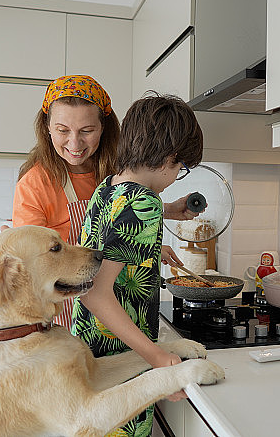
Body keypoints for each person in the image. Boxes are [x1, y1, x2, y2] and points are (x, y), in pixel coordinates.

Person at [3, 74, 198, 327]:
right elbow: (37, 265)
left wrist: (160, 220)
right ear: (47, 127)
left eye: (87, 130)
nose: (75, 143)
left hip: (120, 310)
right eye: (62, 130)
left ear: (104, 127)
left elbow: (115, 219)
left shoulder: (114, 169)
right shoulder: (35, 184)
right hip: (67, 312)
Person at [73, 92, 204, 436]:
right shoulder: (144, 203)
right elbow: (94, 293)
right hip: (123, 357)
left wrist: (160, 227)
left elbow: (108, 243)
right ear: (169, 158)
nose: (176, 176)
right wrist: (155, 356)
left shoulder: (109, 187)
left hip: (90, 350)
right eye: (180, 168)